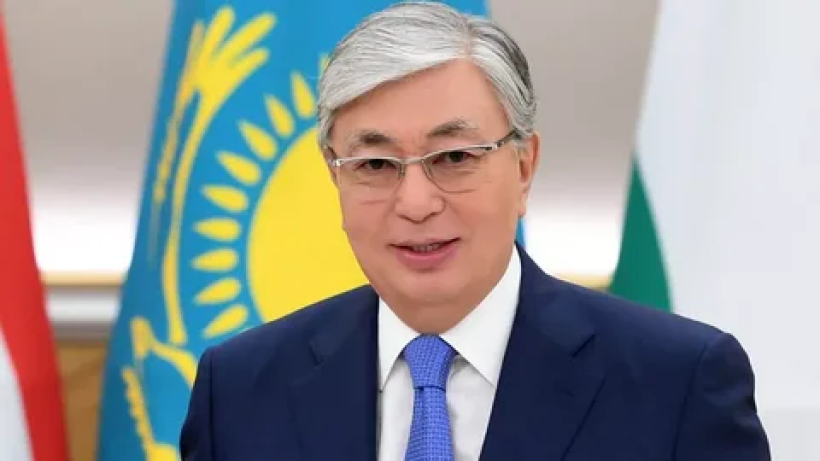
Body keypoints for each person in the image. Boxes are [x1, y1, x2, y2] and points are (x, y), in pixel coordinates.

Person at [179, 2, 770, 459]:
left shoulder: (677, 382)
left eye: (455, 157)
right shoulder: (239, 390)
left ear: (524, 166)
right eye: (376, 165)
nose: (415, 203)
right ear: (336, 176)